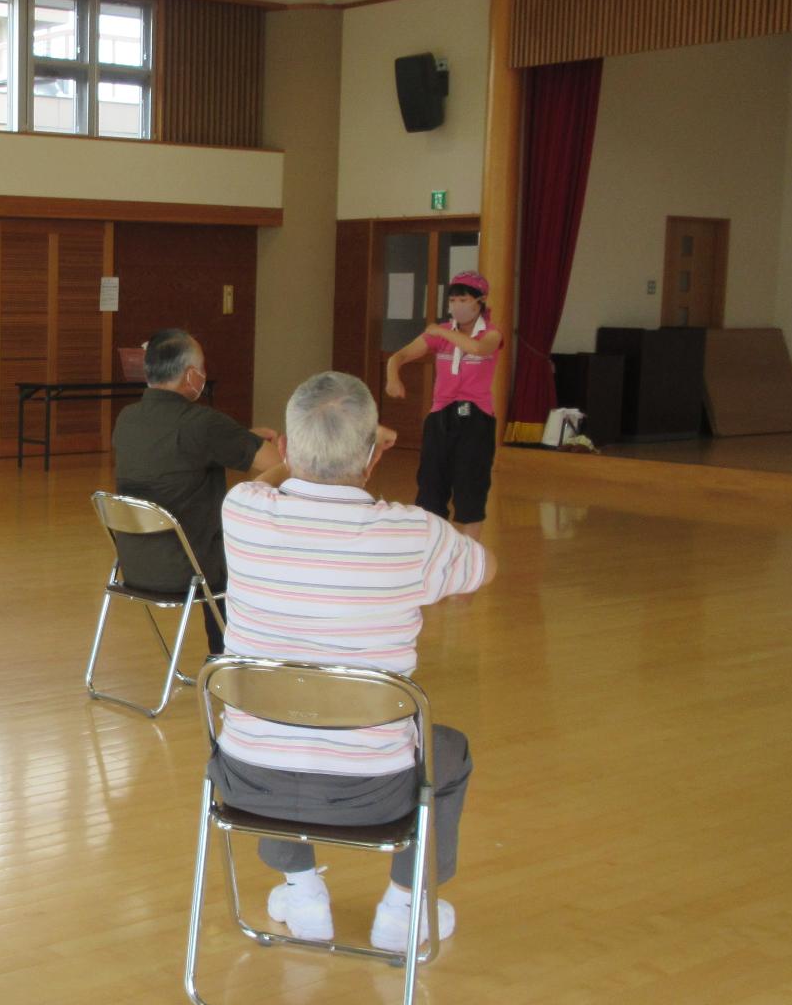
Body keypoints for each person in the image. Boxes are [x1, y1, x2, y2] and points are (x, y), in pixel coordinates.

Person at [209, 370, 488, 950]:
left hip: (248, 779)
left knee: (279, 728)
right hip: (374, 789)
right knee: (449, 751)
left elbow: (267, 480)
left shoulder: (241, 510)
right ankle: (404, 908)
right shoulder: (415, 534)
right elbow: (483, 570)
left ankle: (303, 891)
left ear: (285, 447)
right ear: (370, 457)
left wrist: (297, 462)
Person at [110, 328, 280, 655]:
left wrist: (237, 438)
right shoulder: (202, 423)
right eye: (201, 368)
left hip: (136, 565)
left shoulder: (128, 419)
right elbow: (275, 464)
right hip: (191, 569)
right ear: (190, 375)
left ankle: (226, 655)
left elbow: (178, 452)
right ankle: (232, 657)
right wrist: (292, 461)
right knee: (245, 550)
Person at [385, 270, 504, 541]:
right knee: (430, 485)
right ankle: (431, 547)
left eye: (463, 299)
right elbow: (399, 355)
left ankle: (468, 554)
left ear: (480, 300)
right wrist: (393, 377)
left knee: (470, 487)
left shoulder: (491, 333)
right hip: (441, 415)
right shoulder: (443, 333)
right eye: (452, 300)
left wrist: (441, 331)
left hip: (476, 418)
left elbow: (477, 349)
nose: (456, 306)